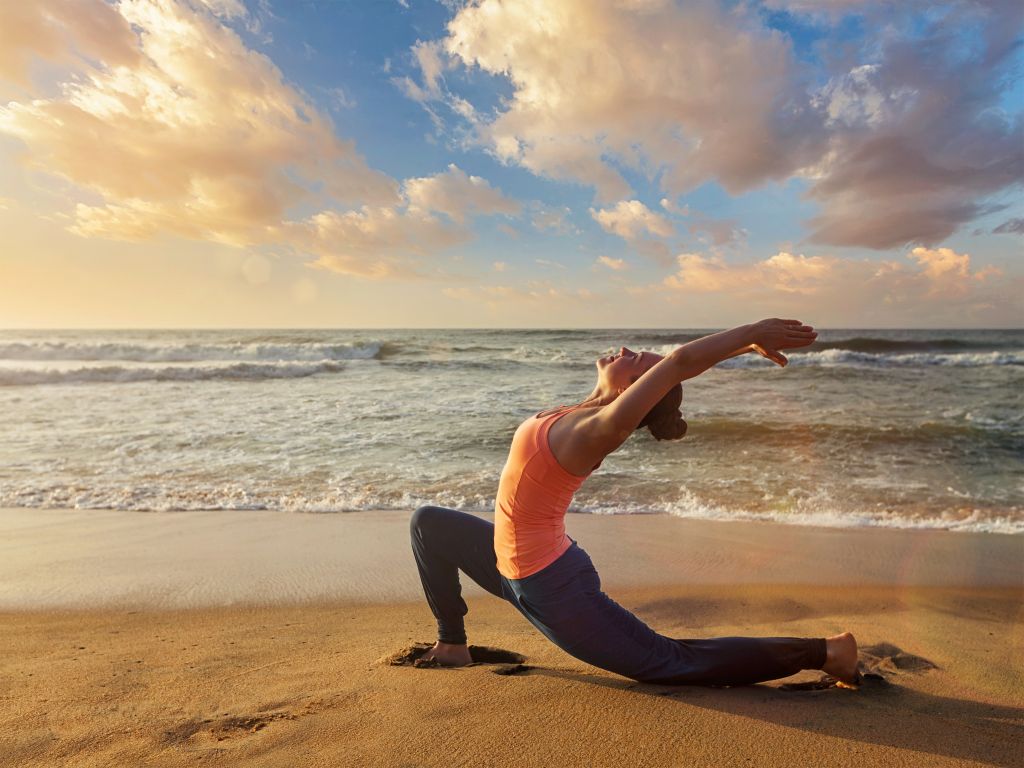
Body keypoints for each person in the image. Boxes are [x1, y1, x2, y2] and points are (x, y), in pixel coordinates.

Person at [409, 319, 859, 686]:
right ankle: (452, 644)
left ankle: (826, 652)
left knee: (671, 661)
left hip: (554, 589)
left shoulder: (598, 431)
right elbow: (675, 368)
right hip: (508, 568)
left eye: (637, 360)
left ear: (636, 392)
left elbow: (679, 363)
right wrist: (742, 349)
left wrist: (749, 332)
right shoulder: (579, 413)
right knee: (428, 523)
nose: (625, 351)